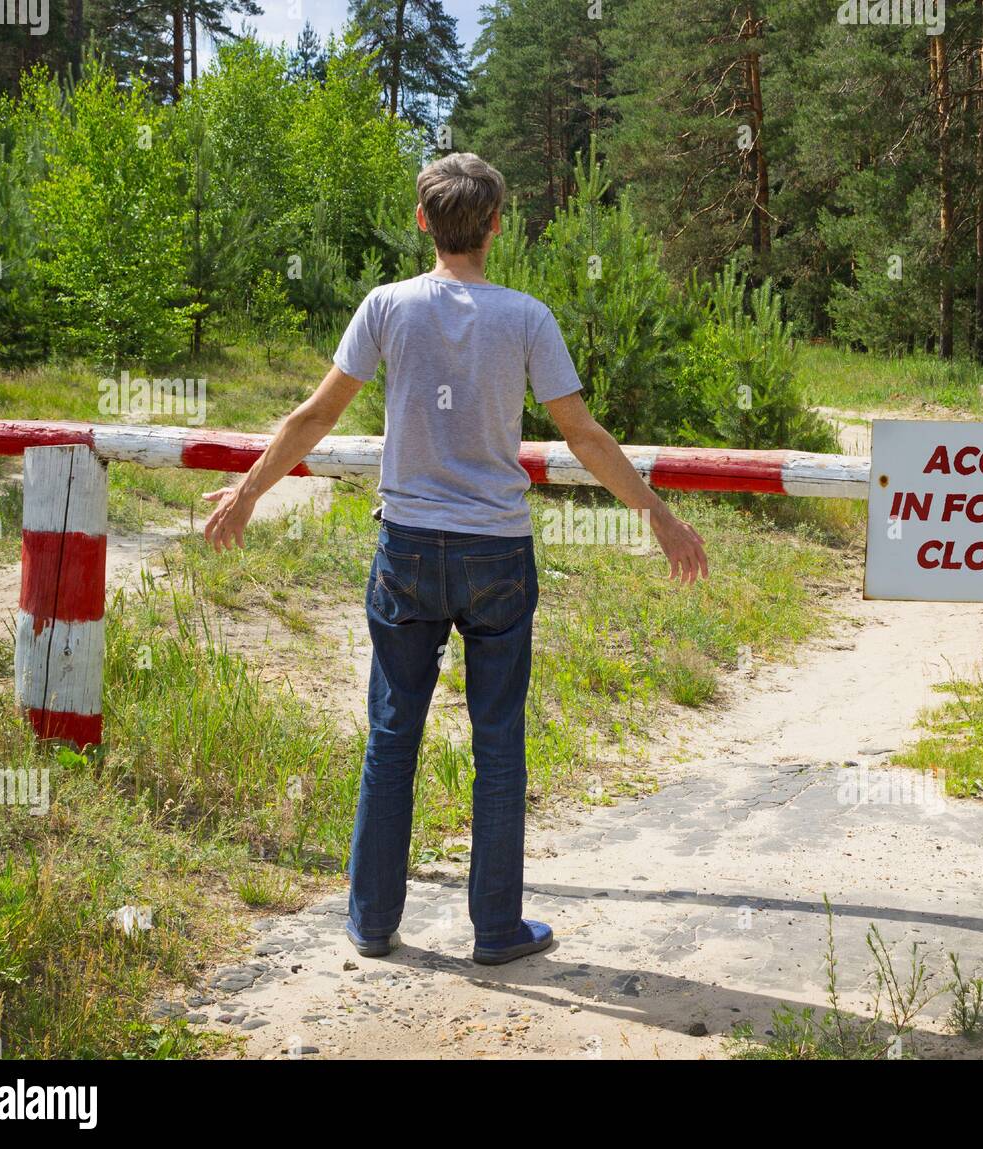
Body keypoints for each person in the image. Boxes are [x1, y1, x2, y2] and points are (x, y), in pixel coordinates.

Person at [202, 152, 708, 965]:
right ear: (497, 225)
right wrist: (657, 513)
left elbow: (314, 415)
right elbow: (581, 432)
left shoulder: (386, 306)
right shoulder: (527, 317)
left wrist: (249, 492)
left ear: (422, 220)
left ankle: (372, 922)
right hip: (498, 551)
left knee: (391, 732)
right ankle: (497, 930)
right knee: (498, 740)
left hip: (407, 549)